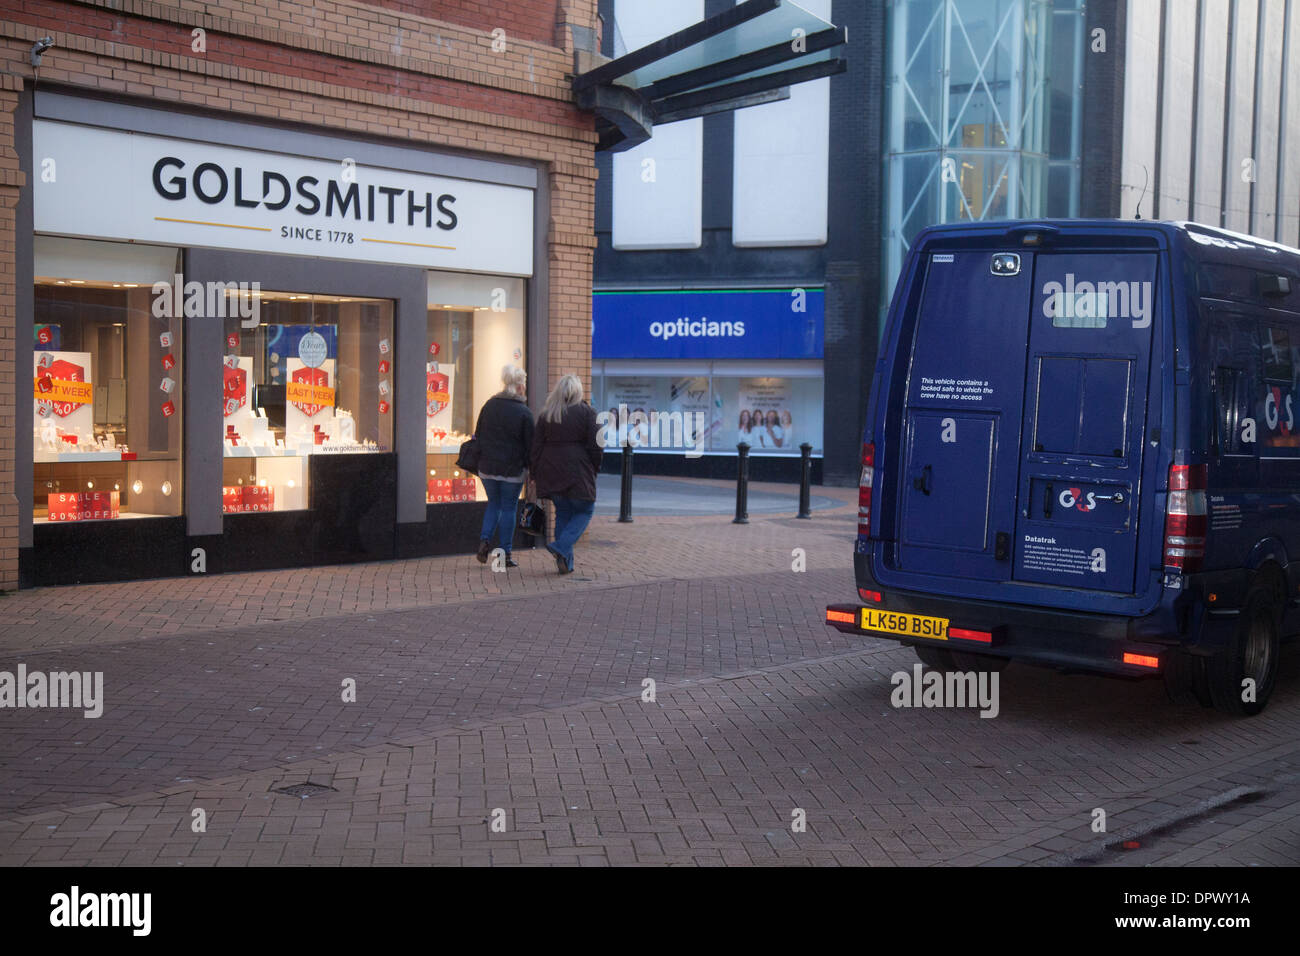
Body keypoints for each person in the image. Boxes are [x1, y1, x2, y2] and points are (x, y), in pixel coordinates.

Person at [530, 374, 602, 574]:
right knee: (585, 510)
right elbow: (597, 446)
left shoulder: (548, 414)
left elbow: (536, 446)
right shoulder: (588, 413)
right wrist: (595, 468)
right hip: (578, 470)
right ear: (578, 391)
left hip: (551, 469)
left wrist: (534, 472)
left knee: (563, 512)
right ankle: (561, 547)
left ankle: (565, 563)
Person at [473, 364, 533, 567]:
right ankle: (504, 555)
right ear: (518, 386)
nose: (524, 387)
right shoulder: (523, 412)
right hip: (511, 470)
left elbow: (478, 434)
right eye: (523, 383)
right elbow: (530, 445)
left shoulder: (489, 405)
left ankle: (484, 541)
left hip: (487, 468)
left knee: (493, 504)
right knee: (509, 508)